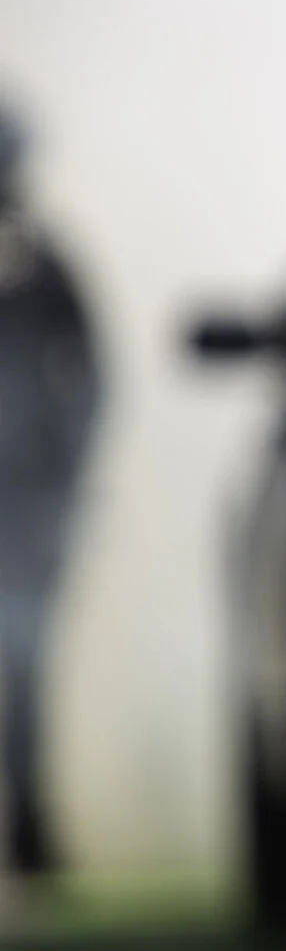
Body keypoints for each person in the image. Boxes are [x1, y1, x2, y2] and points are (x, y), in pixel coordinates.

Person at [0, 107, 99, 874]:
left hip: (26, 508)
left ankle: (29, 825)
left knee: (23, 662)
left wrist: (64, 469)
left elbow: (90, 376)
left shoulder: (40, 265)